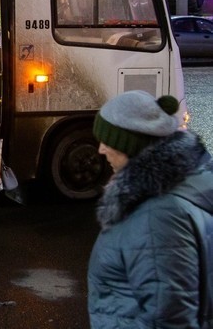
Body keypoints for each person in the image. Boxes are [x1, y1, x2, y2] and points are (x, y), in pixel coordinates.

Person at [87, 90, 213, 328]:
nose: (101, 149)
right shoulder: (183, 183)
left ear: (131, 146)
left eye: (109, 141)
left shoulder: (157, 215)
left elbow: (169, 318)